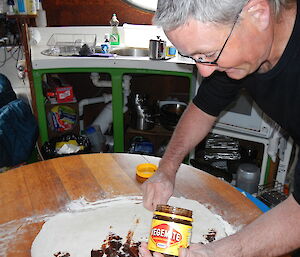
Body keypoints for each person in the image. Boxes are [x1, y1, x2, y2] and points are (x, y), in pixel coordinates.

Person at [139, 0, 300, 256]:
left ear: (258, 14)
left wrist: (213, 252)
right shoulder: (240, 47)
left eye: (209, 54)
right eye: (193, 57)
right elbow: (203, 108)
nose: (204, 71)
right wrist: (166, 170)